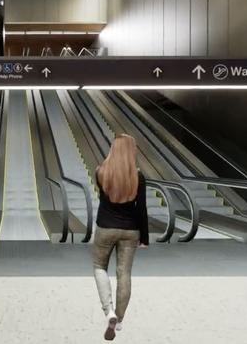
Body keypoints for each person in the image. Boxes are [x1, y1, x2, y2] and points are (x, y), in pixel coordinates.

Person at [92, 134, 149, 341]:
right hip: (130, 230)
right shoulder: (138, 177)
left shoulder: (100, 172)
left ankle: (109, 312)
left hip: (105, 227)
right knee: (124, 273)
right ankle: (121, 319)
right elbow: (141, 209)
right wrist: (145, 238)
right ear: (131, 150)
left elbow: (102, 199)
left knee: (99, 266)